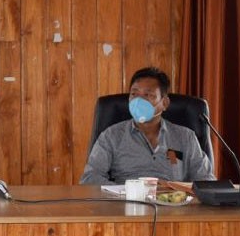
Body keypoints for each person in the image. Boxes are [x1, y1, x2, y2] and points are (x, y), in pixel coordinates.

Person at [80, 67, 215, 185]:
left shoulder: (185, 137)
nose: (138, 101)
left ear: (165, 103)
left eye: (148, 95)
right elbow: (90, 178)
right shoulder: (112, 135)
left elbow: (206, 179)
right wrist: (127, 190)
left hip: (172, 208)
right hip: (127, 206)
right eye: (134, 94)